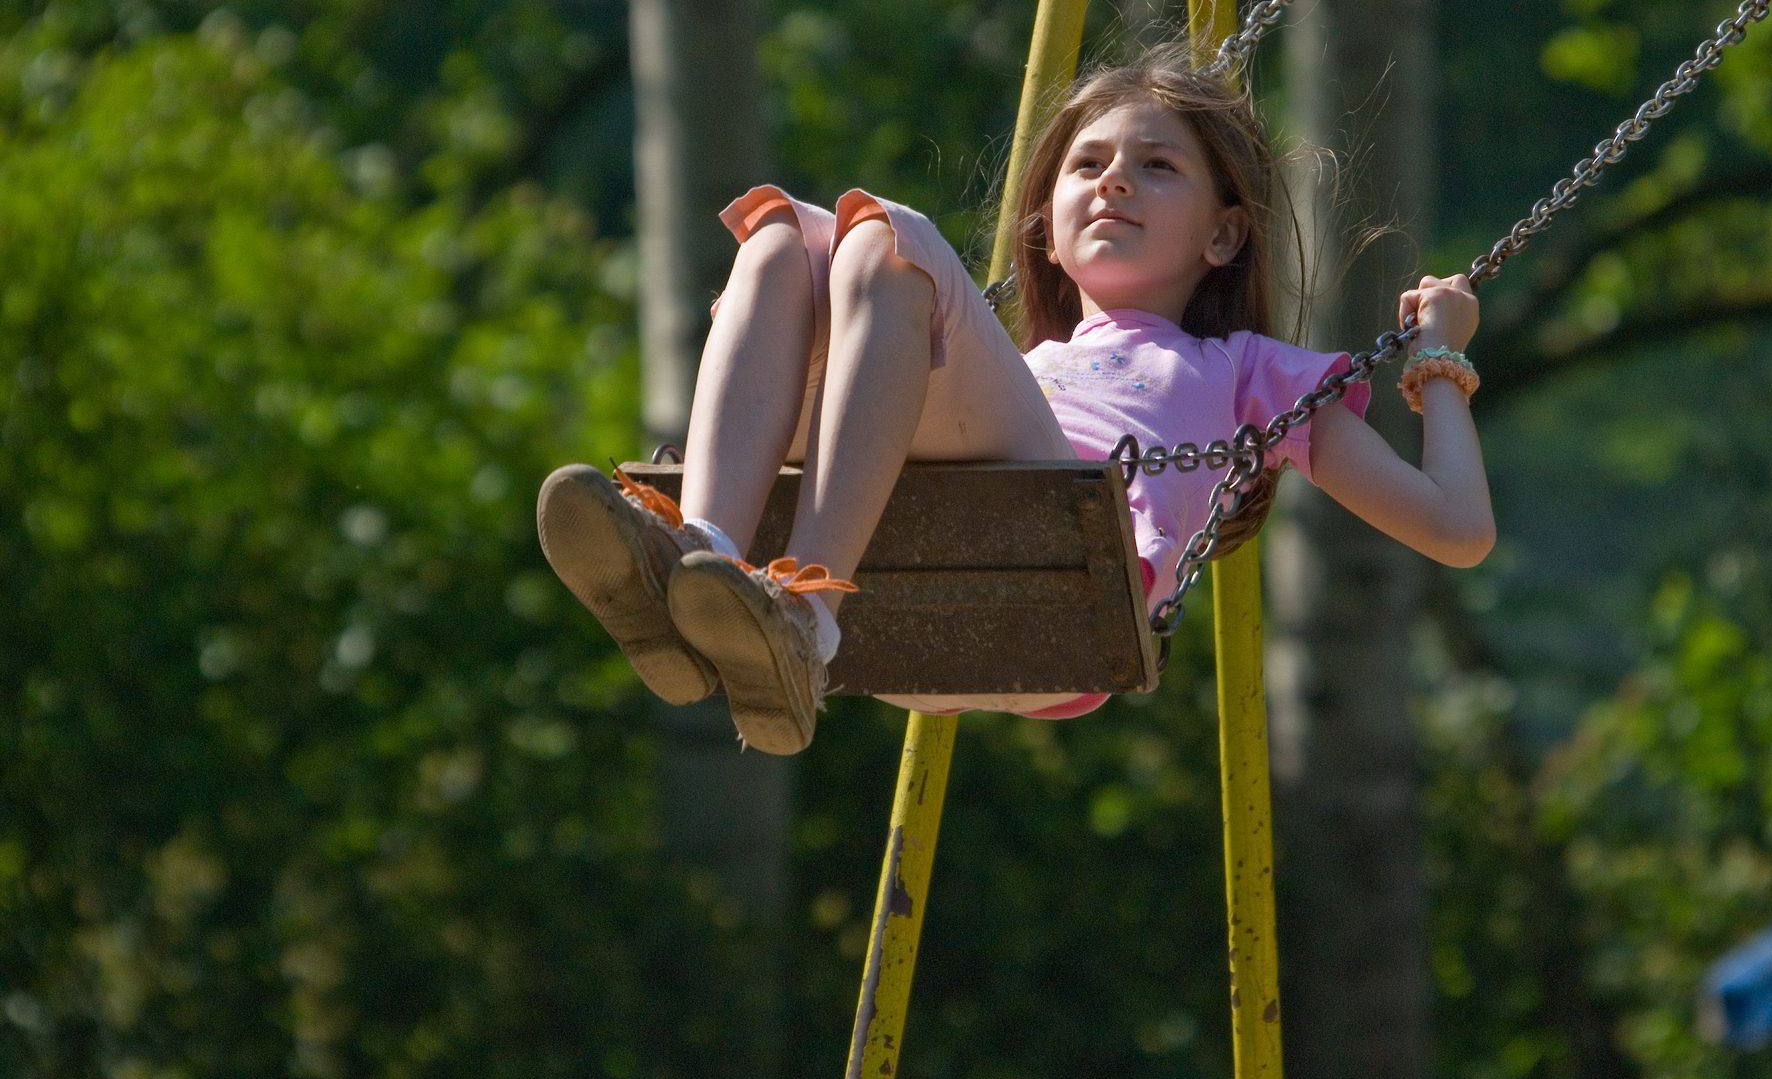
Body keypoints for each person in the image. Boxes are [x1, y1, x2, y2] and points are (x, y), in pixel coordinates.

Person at [537, 47, 1494, 756]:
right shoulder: (1027, 365)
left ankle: (799, 612)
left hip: (1063, 598)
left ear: (1224, 235)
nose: (1113, 179)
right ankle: (697, 562)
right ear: (1049, 223)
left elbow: (1456, 528)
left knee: (884, 241)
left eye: (1157, 166)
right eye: (1087, 163)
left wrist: (1439, 361)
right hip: (917, 574)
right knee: (779, 239)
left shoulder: (1247, 371)